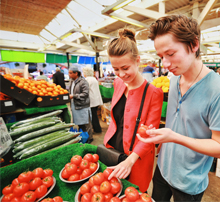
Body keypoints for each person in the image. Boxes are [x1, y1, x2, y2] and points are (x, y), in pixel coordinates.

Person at [137, 15, 220, 202]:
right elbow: (179, 124)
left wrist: (173, 137)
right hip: (162, 169)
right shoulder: (174, 79)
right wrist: (159, 134)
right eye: (161, 57)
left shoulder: (216, 90)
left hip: (189, 180)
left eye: (171, 54)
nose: (165, 64)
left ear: (194, 44)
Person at [104, 28, 164, 192]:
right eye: (116, 69)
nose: (121, 74)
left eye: (125, 67)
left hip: (136, 158)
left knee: (134, 193)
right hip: (113, 150)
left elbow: (150, 135)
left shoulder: (154, 93)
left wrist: (130, 160)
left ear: (138, 60)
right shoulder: (118, 84)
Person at [69, 65, 93, 143]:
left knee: (86, 123)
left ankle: (89, 138)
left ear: (76, 73)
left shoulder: (83, 81)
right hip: (75, 105)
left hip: (83, 106)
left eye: (71, 73)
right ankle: (83, 136)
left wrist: (74, 96)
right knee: (80, 123)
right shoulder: (72, 81)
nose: (69, 75)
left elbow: (85, 94)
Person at [82, 66, 103, 133]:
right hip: (95, 100)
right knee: (94, 115)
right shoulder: (94, 79)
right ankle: (97, 128)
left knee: (93, 116)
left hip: (91, 100)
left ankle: (97, 129)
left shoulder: (87, 80)